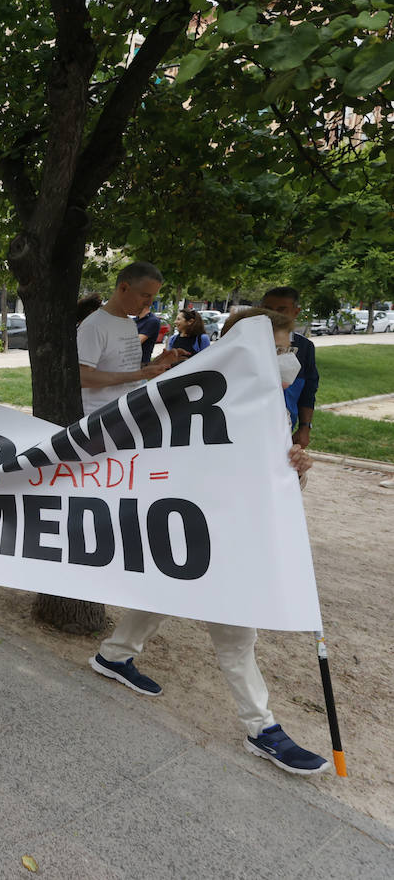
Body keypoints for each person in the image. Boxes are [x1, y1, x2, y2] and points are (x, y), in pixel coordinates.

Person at [92, 306, 329, 776]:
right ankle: (262, 729)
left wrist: (292, 467)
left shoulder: (263, 401)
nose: (289, 357)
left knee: (163, 590)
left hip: (224, 527)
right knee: (238, 634)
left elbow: (267, 475)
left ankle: (114, 655)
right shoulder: (208, 396)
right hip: (209, 528)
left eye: (288, 347)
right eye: (280, 348)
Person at [77, 262, 185, 416]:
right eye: (146, 295)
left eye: (153, 296)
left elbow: (126, 370)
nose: (150, 302)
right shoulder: (94, 325)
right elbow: (83, 377)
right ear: (123, 288)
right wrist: (140, 375)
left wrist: (157, 363)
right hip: (100, 420)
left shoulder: (129, 323)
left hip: (127, 415)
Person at [260, 286, 318, 450]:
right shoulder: (246, 343)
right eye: (268, 309)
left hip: (284, 431)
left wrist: (305, 427)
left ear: (296, 312)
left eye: (281, 310)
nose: (274, 315)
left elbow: (309, 390)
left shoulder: (305, 348)